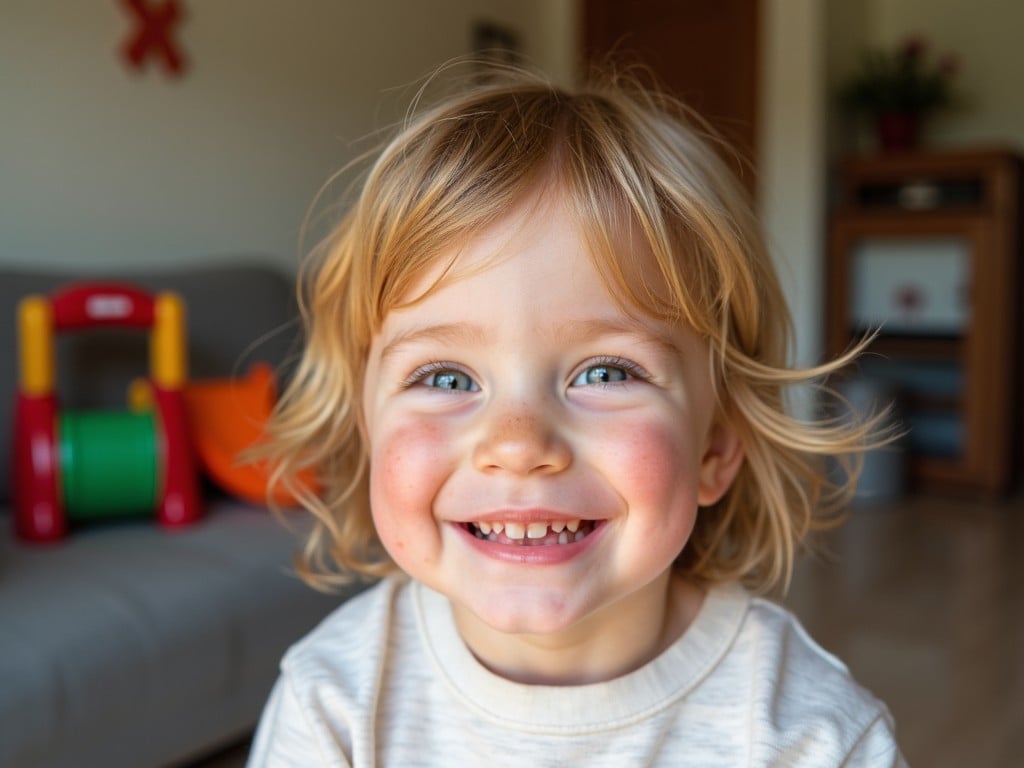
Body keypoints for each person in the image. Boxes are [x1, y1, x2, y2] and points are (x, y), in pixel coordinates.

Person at [247, 63, 905, 767]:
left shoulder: (812, 738)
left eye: (606, 372)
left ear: (717, 443)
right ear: (366, 429)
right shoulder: (332, 705)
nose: (518, 444)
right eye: (444, 376)